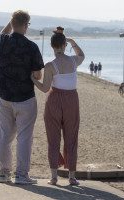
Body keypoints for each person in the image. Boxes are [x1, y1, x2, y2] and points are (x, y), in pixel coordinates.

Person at [31, 27, 85, 186]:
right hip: (72, 101)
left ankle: (54, 177)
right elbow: (81, 55)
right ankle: (72, 177)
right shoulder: (74, 61)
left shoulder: (49, 65)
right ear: (64, 45)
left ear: (52, 46)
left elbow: (45, 88)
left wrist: (33, 80)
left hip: (54, 100)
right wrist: (73, 42)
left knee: (53, 139)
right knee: (71, 138)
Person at [0, 10, 44, 185]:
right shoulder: (32, 47)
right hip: (25, 97)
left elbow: (3, 32)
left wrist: (12, 21)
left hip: (5, 96)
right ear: (26, 25)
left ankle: (4, 173)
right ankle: (22, 175)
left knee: (4, 135)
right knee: (24, 137)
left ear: (12, 23)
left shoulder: (3, 41)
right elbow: (38, 75)